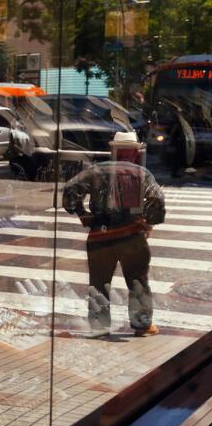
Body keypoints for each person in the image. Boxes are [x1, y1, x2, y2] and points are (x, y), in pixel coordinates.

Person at [62, 134, 166, 337]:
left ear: (113, 150)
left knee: (99, 282)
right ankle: (142, 326)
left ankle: (99, 327)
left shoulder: (96, 170)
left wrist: (82, 213)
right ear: (135, 152)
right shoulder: (141, 173)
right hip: (132, 234)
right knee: (138, 281)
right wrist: (149, 222)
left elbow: (70, 189)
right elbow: (157, 200)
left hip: (100, 234)